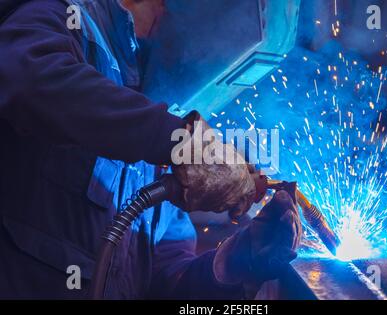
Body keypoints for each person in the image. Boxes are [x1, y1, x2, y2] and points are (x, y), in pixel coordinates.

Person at [0, 0, 301, 299]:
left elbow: (164, 274)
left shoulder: (162, 101)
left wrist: (233, 261)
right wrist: (177, 142)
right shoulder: (69, 18)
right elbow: (26, 78)